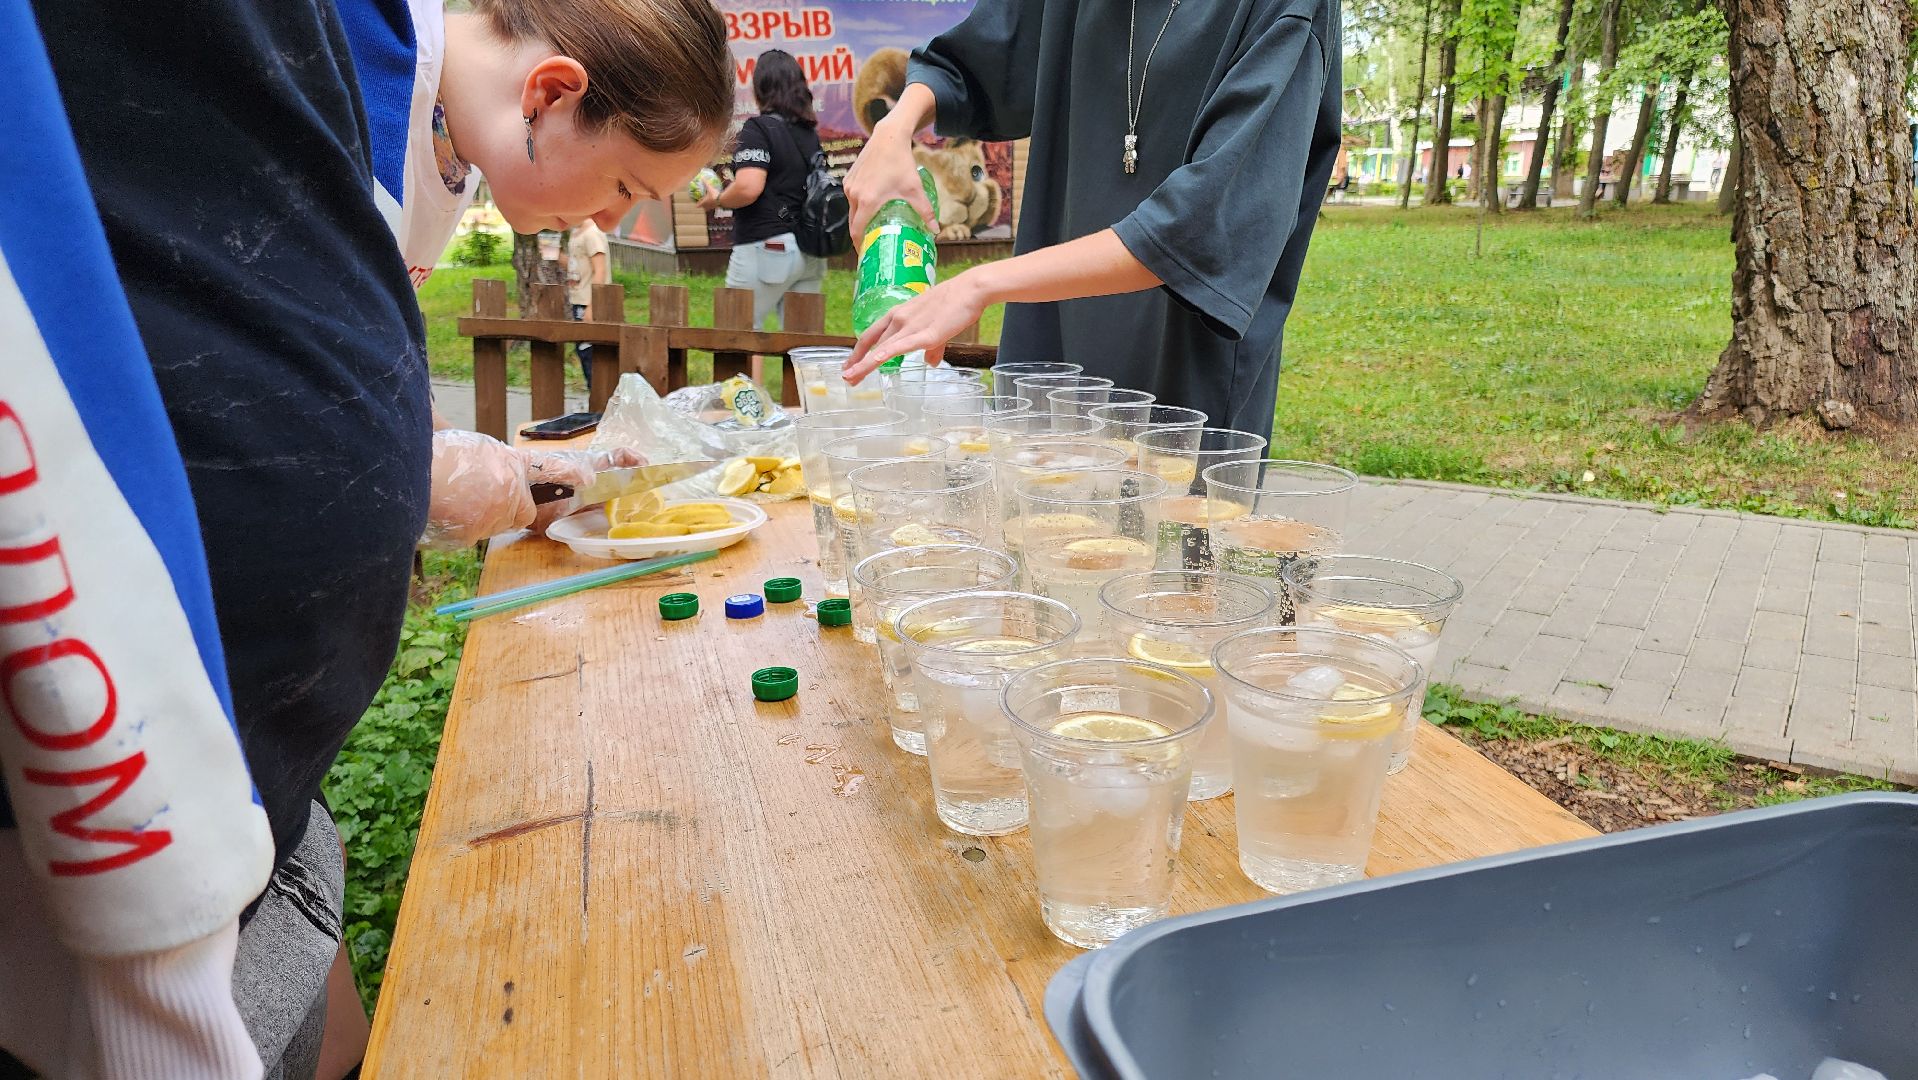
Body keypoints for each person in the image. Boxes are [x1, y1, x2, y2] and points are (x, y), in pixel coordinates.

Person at [840, 0, 1341, 439]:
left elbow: (1207, 224)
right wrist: (896, 123)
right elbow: (983, 53)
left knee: (1166, 533)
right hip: (1052, 347)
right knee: (1034, 520)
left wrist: (977, 285)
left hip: (1184, 359)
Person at [335, 0, 735, 544]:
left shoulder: (458, 146)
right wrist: (404, 470)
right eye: (623, 186)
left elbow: (355, 339)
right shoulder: (350, 64)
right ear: (549, 95)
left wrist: (472, 462)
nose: (611, 219)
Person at [700, 47, 830, 383]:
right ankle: (806, 413)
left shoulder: (758, 129)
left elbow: (748, 187)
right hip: (810, 251)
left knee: (739, 331)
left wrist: (717, 199)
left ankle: (748, 419)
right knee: (804, 344)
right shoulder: (809, 135)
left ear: (761, 88)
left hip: (766, 247)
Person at [565, 218, 612, 386]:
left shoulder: (592, 233)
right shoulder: (576, 231)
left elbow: (600, 270)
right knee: (583, 350)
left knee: (590, 352)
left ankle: (599, 398)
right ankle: (594, 397)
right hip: (577, 299)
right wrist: (556, 256)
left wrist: (593, 305)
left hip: (588, 301)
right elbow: (575, 266)